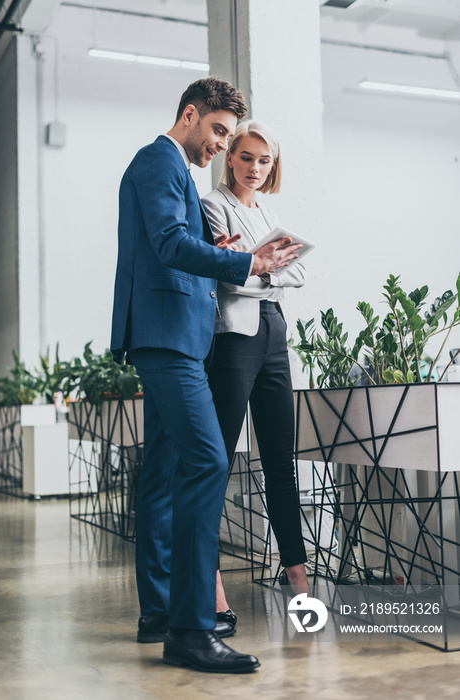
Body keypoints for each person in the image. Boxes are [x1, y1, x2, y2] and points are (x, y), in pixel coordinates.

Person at [110, 79, 302, 674]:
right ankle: (192, 629)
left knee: (165, 472)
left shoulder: (175, 171)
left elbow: (177, 243)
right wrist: (247, 260)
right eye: (218, 131)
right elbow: (168, 244)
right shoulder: (157, 161)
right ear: (189, 115)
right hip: (167, 336)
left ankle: (160, 612)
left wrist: (211, 245)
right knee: (209, 461)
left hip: (181, 336)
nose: (221, 145)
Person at [202, 121, 311, 622]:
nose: (254, 167)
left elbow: (298, 272)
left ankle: (297, 573)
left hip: (273, 335)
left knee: (279, 460)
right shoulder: (213, 206)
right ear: (231, 159)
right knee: (218, 461)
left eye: (264, 160)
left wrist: (253, 265)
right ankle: (210, 580)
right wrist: (258, 267)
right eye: (246, 157)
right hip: (234, 339)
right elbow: (222, 274)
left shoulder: (266, 210)